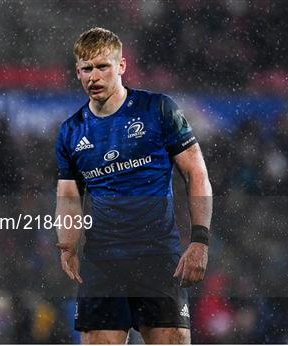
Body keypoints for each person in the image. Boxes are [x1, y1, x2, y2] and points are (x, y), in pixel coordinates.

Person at [55, 27, 213, 344]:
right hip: (103, 261)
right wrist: (68, 243)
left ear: (122, 66)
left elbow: (196, 172)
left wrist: (200, 240)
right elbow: (70, 195)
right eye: (87, 69)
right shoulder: (71, 131)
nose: (94, 77)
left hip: (157, 258)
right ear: (77, 72)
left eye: (103, 67)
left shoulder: (158, 110)